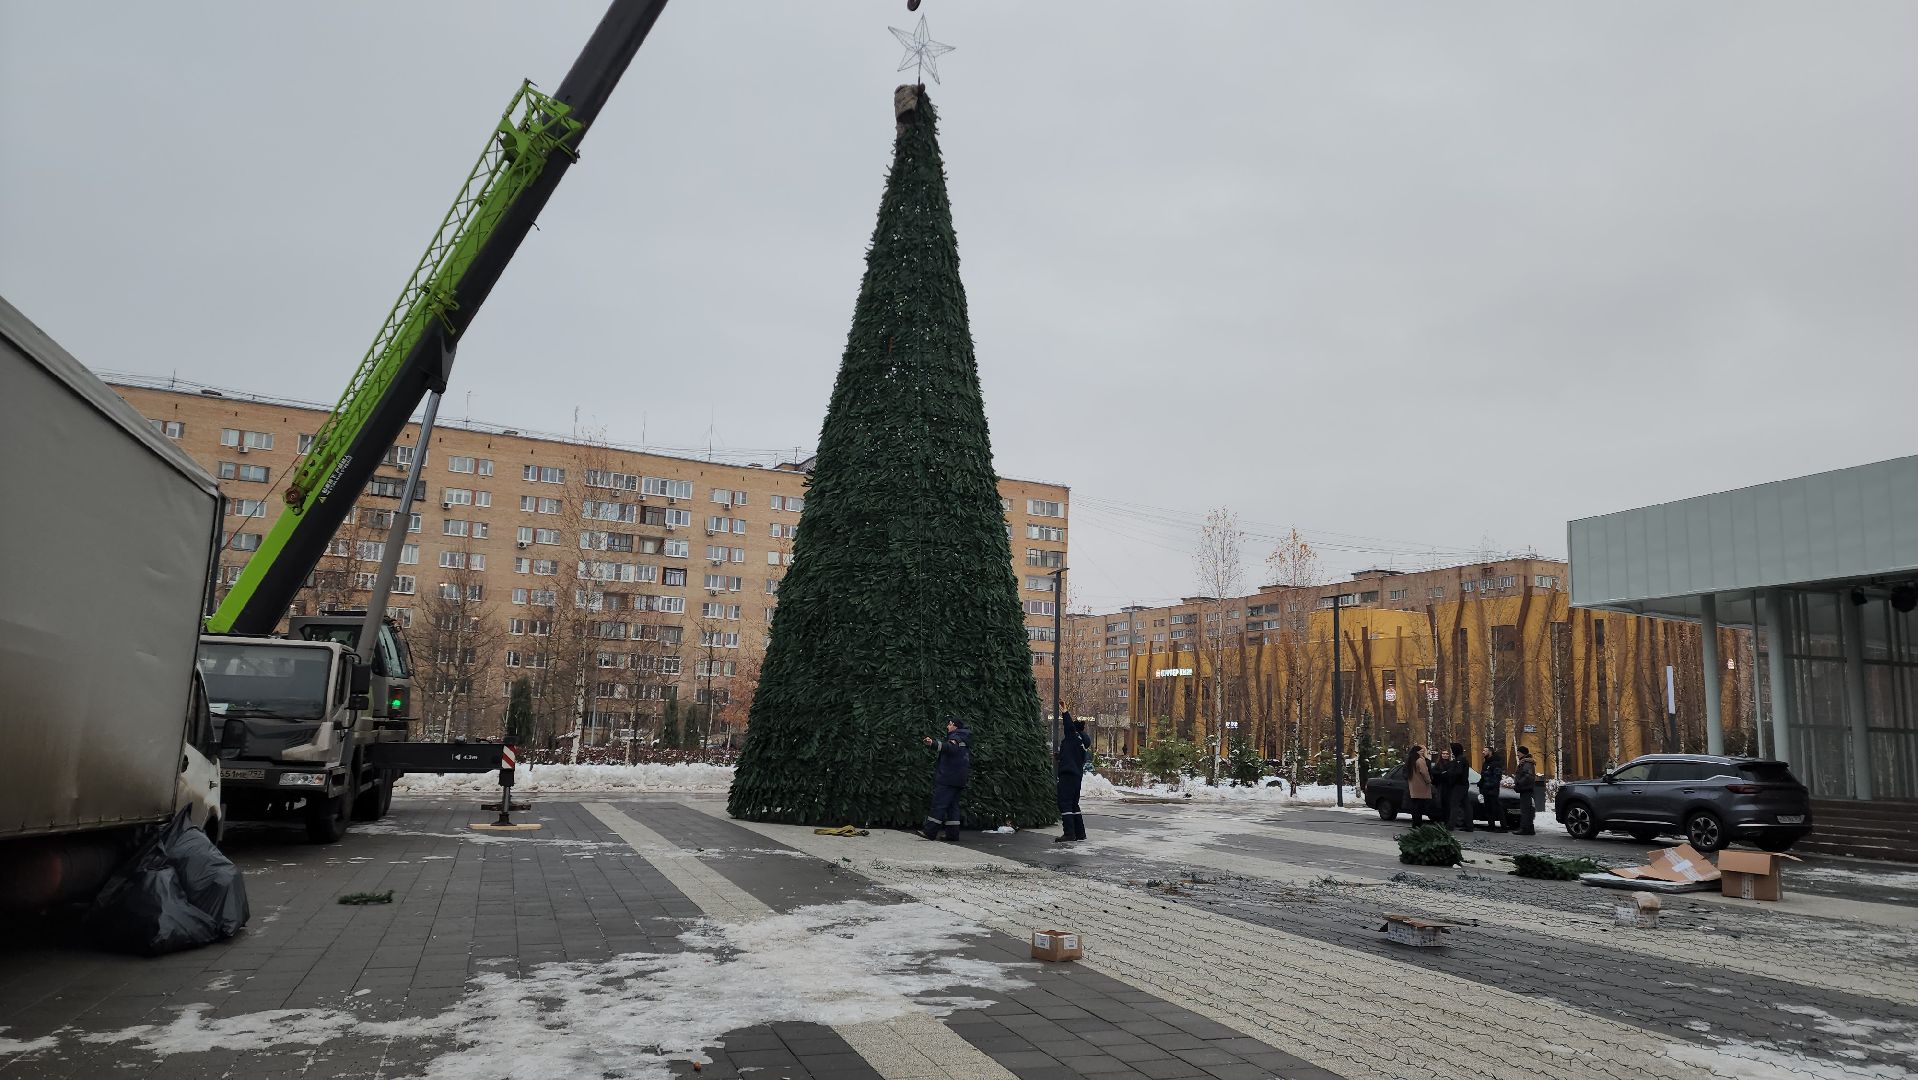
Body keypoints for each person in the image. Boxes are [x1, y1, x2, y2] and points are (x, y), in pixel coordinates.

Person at [920, 717, 971, 841]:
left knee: (939, 804)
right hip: (959, 779)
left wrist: (933, 743)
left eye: (949, 724)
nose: (947, 727)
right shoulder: (964, 737)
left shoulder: (956, 737)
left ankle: (929, 832)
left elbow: (950, 748)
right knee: (952, 806)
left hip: (948, 778)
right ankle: (952, 834)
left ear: (955, 726)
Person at [1054, 713, 1092, 843]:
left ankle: (1069, 833)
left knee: (1065, 803)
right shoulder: (1082, 742)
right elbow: (1072, 756)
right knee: (1074, 804)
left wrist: (1065, 711)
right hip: (1076, 776)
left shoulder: (1073, 737)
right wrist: (1060, 757)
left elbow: (1068, 726)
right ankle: (1080, 833)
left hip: (1068, 775)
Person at [1446, 742, 1474, 831]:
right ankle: (1469, 825)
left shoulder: (1460, 760)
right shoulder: (1462, 759)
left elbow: (1458, 772)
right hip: (1464, 785)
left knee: (1454, 805)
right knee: (1466, 805)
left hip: (1459, 785)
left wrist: (1448, 773)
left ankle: (1451, 825)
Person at [1512, 745, 1539, 836]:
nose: (1517, 754)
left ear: (1523, 753)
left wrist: (1519, 783)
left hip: (1525, 789)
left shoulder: (1526, 763)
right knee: (1528, 809)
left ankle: (1525, 829)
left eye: (1519, 752)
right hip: (1526, 788)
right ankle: (1530, 828)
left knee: (1525, 810)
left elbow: (1528, 776)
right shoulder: (1526, 762)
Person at [1406, 745, 1434, 827]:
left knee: (1414, 806)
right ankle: (1418, 824)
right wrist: (1429, 781)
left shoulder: (1410, 761)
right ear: (1417, 752)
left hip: (1413, 787)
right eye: (1421, 751)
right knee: (1420, 807)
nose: (1422, 753)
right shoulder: (1420, 761)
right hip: (1421, 786)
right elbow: (1424, 773)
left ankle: (1415, 823)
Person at [1479, 750, 1506, 832]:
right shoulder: (1485, 763)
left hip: (1493, 789)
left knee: (1497, 808)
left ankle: (1503, 827)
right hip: (1486, 789)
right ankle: (1491, 826)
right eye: (1483, 750)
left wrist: (1489, 785)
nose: (1483, 752)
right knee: (1488, 808)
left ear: (1490, 752)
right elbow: (1483, 775)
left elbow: (1497, 777)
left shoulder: (1496, 763)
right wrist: (1481, 783)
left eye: (1485, 750)